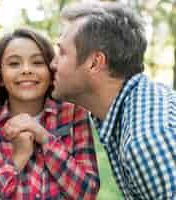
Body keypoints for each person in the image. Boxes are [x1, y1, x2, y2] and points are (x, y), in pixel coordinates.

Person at [51, 1, 176, 199]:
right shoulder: (135, 106)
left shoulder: (145, 141)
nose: (53, 63)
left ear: (95, 63)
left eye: (62, 53)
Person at [0, 28, 100, 200]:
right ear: (1, 76)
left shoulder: (74, 115)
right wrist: (17, 159)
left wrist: (44, 137)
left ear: (51, 73)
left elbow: (87, 193)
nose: (26, 70)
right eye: (14, 64)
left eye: (37, 62)